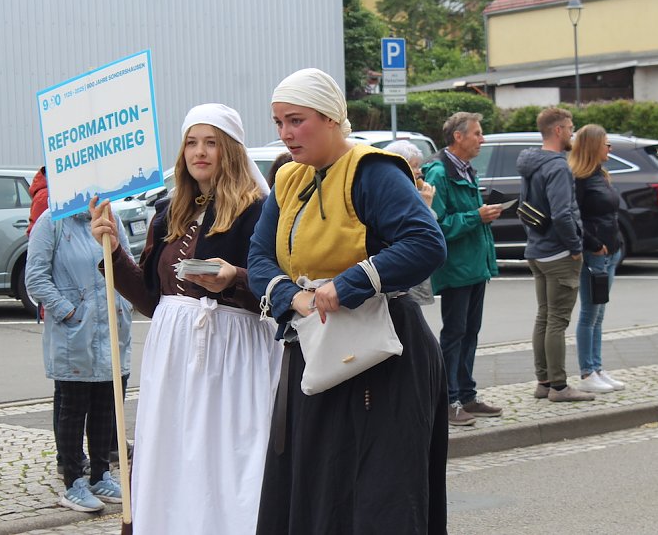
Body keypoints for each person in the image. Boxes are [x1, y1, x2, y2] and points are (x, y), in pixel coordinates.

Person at [248, 68, 448, 534]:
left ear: (332, 118)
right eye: (279, 122)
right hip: (315, 350)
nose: (285, 133)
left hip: (382, 354)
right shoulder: (287, 180)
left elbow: (425, 243)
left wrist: (348, 283)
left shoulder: (372, 171)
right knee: (316, 482)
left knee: (377, 492)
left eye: (296, 120)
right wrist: (290, 296)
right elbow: (258, 255)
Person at [89, 103, 281, 534]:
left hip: (232, 352)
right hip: (173, 352)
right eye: (192, 143)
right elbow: (153, 300)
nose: (200, 152)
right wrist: (114, 252)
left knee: (226, 454)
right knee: (171, 450)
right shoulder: (167, 213)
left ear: (229, 149)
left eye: (211, 142)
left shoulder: (258, 211)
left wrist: (233, 279)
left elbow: (278, 287)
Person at [25, 209, 132, 512]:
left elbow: (125, 262)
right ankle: (73, 480)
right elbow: (35, 277)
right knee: (73, 406)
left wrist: (124, 305)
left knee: (105, 405)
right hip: (76, 332)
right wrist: (67, 310)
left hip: (110, 326)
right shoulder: (52, 222)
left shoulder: (110, 216)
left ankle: (101, 475)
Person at [422, 112, 504, 425]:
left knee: (470, 332)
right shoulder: (439, 173)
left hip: (474, 265)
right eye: (478, 133)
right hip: (457, 267)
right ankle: (449, 399)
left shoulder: (466, 169)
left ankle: (467, 395)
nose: (482, 140)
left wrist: (481, 215)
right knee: (454, 334)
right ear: (459, 136)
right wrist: (476, 217)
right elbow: (436, 225)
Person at [516, 107, 594, 402]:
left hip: (537, 249)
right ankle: (559, 387)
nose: (573, 132)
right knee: (557, 320)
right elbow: (562, 213)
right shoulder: (558, 166)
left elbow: (527, 207)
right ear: (558, 130)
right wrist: (575, 247)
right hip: (559, 253)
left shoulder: (530, 163)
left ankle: (544, 382)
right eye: (571, 127)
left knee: (544, 317)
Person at [568, 124, 625, 394]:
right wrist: (593, 243)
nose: (609, 148)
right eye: (606, 143)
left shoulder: (600, 174)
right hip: (595, 252)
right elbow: (575, 217)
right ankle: (587, 371)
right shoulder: (579, 178)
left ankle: (598, 367)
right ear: (593, 146)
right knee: (590, 312)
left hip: (611, 250)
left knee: (600, 312)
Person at [385, 139, 437, 306]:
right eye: (413, 166)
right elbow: (418, 231)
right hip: (399, 284)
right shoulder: (393, 194)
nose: (419, 171)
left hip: (409, 280)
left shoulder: (411, 191)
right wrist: (426, 206)